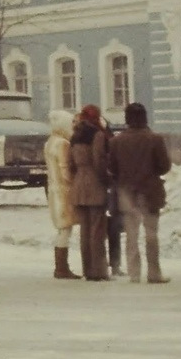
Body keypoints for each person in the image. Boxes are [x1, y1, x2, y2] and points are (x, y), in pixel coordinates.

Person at [108, 102, 172, 284]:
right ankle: (154, 273)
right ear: (145, 118)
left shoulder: (116, 141)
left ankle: (134, 273)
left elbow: (111, 167)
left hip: (127, 192)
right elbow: (164, 166)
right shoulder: (155, 139)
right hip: (150, 191)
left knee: (131, 234)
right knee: (151, 234)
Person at [68, 106, 110, 281]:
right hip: (94, 184)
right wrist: (106, 180)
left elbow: (70, 164)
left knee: (85, 230)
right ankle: (98, 271)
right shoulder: (97, 135)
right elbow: (98, 160)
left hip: (78, 184)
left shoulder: (74, 137)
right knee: (97, 230)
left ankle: (87, 269)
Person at [43, 109, 79, 279]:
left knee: (62, 229)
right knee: (65, 229)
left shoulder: (50, 142)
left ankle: (61, 266)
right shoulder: (63, 144)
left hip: (53, 190)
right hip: (64, 192)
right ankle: (62, 267)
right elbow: (65, 171)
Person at [105, 121, 126, 277]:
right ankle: (115, 265)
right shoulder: (108, 145)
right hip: (113, 191)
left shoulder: (108, 144)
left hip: (111, 191)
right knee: (114, 230)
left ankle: (113, 264)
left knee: (112, 230)